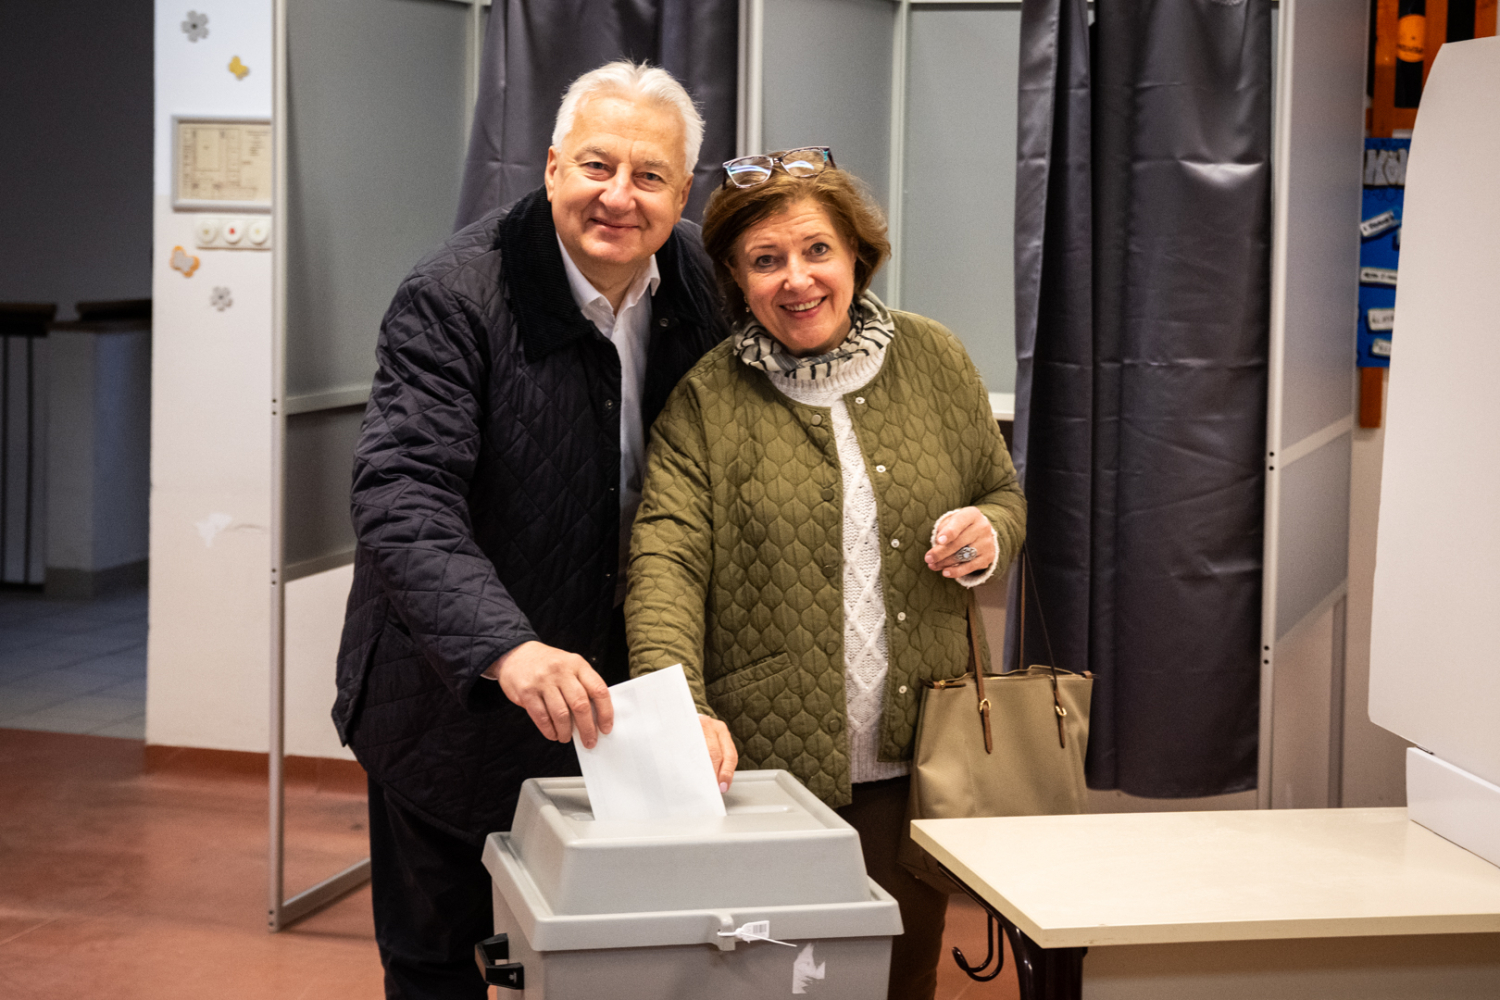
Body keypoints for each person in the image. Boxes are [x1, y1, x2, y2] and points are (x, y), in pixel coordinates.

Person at [332, 62, 733, 999]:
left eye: (649, 176)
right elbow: (401, 491)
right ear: (552, 167)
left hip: (618, 702)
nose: (618, 196)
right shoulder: (453, 296)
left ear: (683, 193)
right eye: (597, 165)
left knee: (608, 958)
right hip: (448, 699)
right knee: (439, 962)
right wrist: (505, 647)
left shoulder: (704, 283)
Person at [626, 149, 1026, 1000]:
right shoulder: (705, 401)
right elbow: (665, 561)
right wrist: (679, 703)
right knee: (776, 983)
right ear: (737, 280)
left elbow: (1002, 493)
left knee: (901, 977)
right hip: (769, 768)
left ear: (856, 256)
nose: (797, 279)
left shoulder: (936, 358)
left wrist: (988, 532)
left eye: (817, 251)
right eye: (765, 260)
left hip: (918, 760)